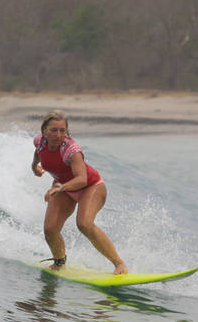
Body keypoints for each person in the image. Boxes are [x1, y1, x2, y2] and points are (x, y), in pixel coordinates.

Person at [32, 110, 127, 275]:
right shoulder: (40, 142)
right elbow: (38, 155)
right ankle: (59, 263)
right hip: (64, 186)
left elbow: (82, 179)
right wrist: (35, 167)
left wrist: (59, 188)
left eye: (62, 130)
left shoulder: (72, 150)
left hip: (91, 186)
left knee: (84, 224)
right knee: (50, 229)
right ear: (44, 130)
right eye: (53, 130)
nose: (58, 134)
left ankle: (119, 264)